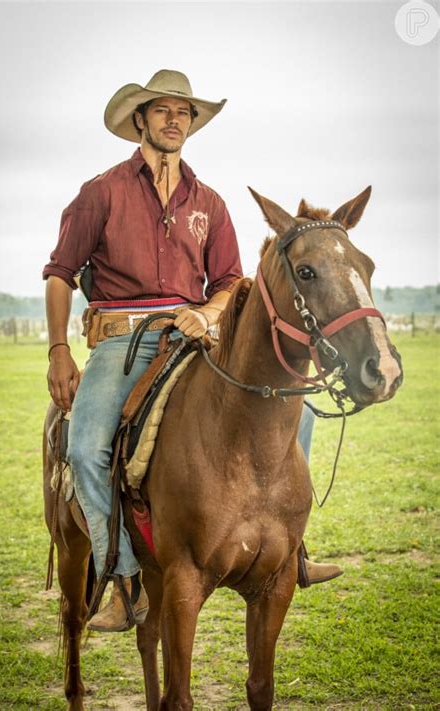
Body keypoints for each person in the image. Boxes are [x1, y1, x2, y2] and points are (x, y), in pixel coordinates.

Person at [43, 69, 341, 633]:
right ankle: (125, 577)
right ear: (141, 120)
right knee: (85, 450)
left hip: (193, 336)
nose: (175, 120)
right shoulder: (100, 192)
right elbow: (59, 275)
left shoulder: (210, 202)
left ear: (192, 125)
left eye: (184, 112)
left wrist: (206, 313)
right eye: (163, 110)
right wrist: (60, 349)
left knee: (289, 411)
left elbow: (229, 280)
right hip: (120, 343)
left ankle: (292, 547)